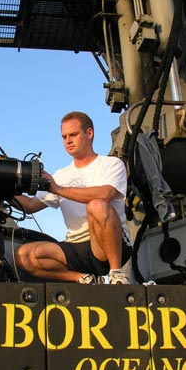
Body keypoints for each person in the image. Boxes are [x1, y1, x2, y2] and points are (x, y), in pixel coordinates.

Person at [13, 111, 132, 284]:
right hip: (76, 248)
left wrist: (57, 189)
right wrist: (5, 191)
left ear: (89, 133)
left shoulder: (111, 164)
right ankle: (82, 278)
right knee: (22, 255)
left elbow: (106, 194)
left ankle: (116, 274)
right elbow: (31, 205)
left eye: (73, 135)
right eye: (64, 136)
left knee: (97, 205)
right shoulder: (61, 175)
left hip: (109, 246)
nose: (68, 141)